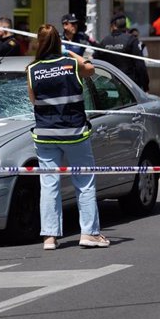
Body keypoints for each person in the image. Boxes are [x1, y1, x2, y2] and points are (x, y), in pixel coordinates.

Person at [26, 23, 109, 250]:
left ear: (39, 43)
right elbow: (90, 69)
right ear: (59, 43)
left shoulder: (32, 70)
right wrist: (71, 52)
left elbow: (34, 101)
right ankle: (89, 233)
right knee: (84, 183)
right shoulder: (71, 64)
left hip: (45, 135)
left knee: (49, 185)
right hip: (74, 133)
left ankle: (50, 237)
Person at [97, 13, 148, 91]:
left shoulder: (104, 42)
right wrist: (145, 85)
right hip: (129, 86)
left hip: (109, 86)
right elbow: (140, 66)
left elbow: (96, 62)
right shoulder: (132, 40)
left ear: (113, 26)